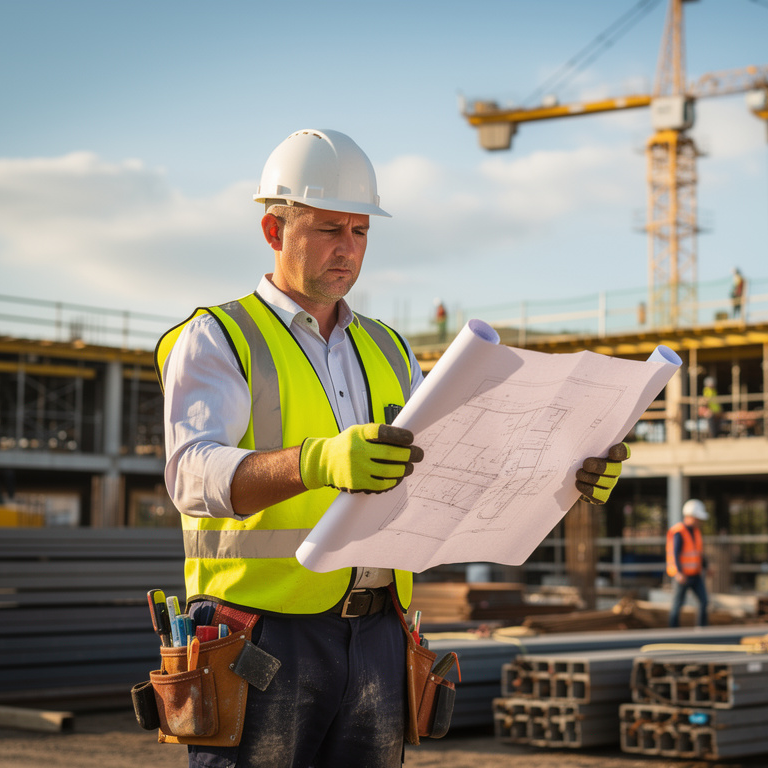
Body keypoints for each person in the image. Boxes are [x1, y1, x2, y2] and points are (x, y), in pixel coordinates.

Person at [156, 128, 629, 768]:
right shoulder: (219, 337)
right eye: (328, 229)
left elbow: (458, 463)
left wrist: (566, 468)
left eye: (360, 231)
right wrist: (317, 460)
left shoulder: (388, 348)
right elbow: (190, 475)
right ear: (274, 231)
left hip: (379, 630)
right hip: (259, 631)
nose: (348, 249)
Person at [666, 499, 710, 628]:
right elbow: (675, 554)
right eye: (698, 518)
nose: (699, 521)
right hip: (683, 576)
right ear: (690, 516)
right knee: (677, 604)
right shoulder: (679, 532)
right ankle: (673, 632)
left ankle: (702, 630)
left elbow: (698, 553)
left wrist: (706, 567)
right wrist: (679, 572)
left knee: (704, 601)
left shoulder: (696, 532)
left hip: (695, 574)